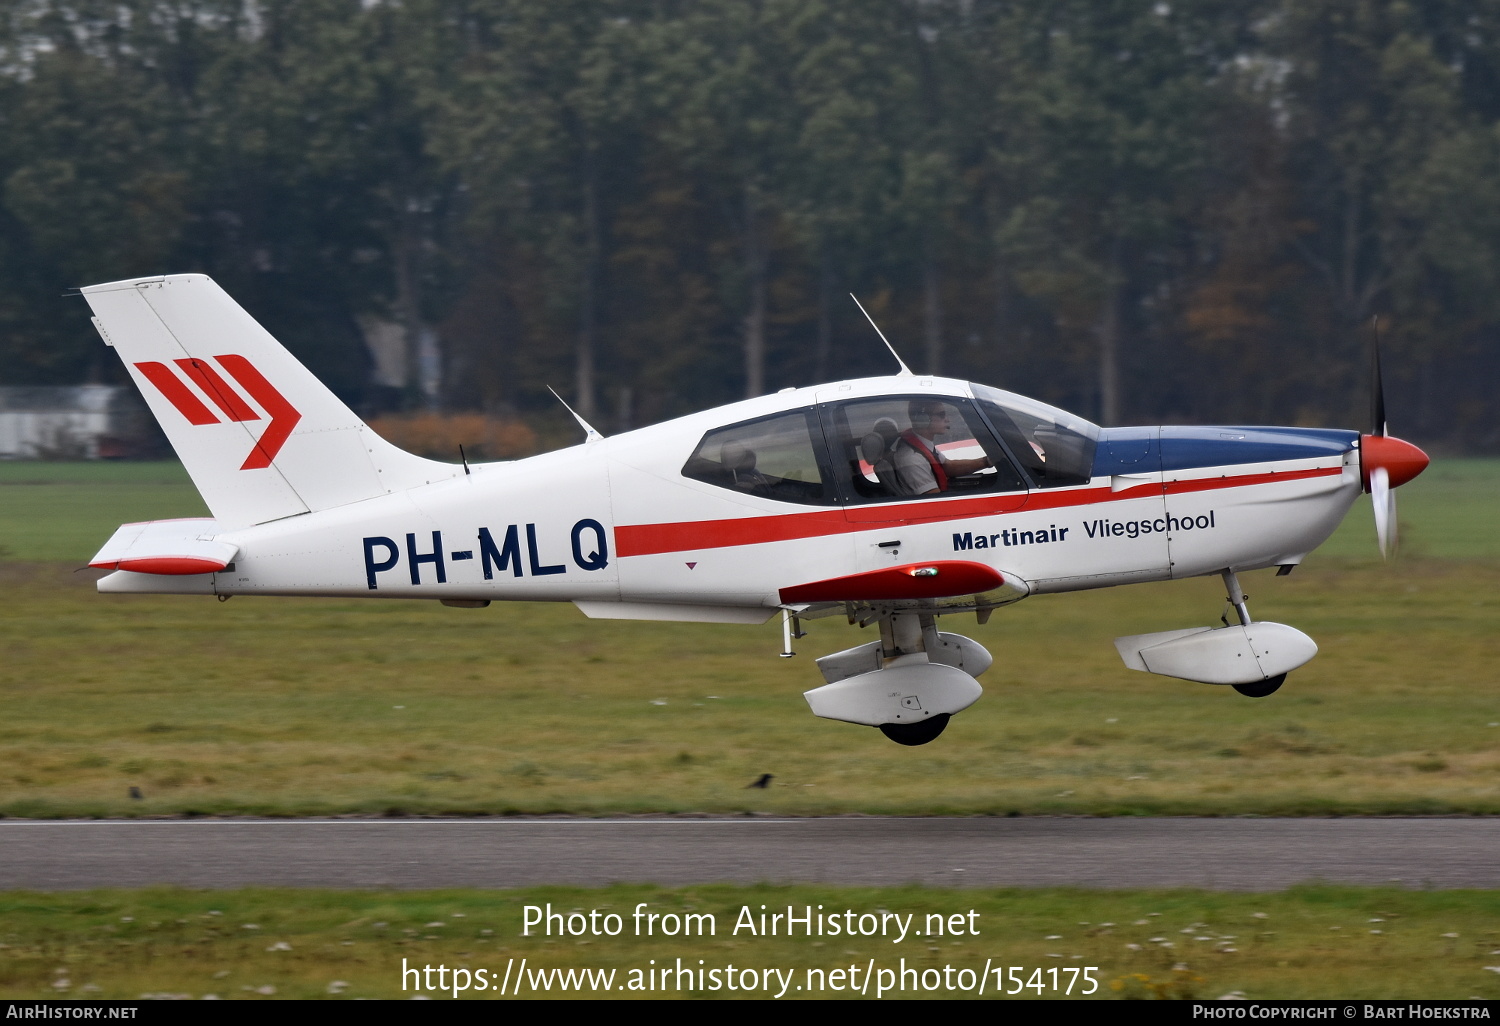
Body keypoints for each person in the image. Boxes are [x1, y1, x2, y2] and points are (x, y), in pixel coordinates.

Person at [891, 400, 991, 495]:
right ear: (923, 419)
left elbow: (948, 466)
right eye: (941, 415)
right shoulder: (913, 459)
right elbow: (934, 500)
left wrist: (986, 462)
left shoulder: (922, 445)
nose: (947, 419)